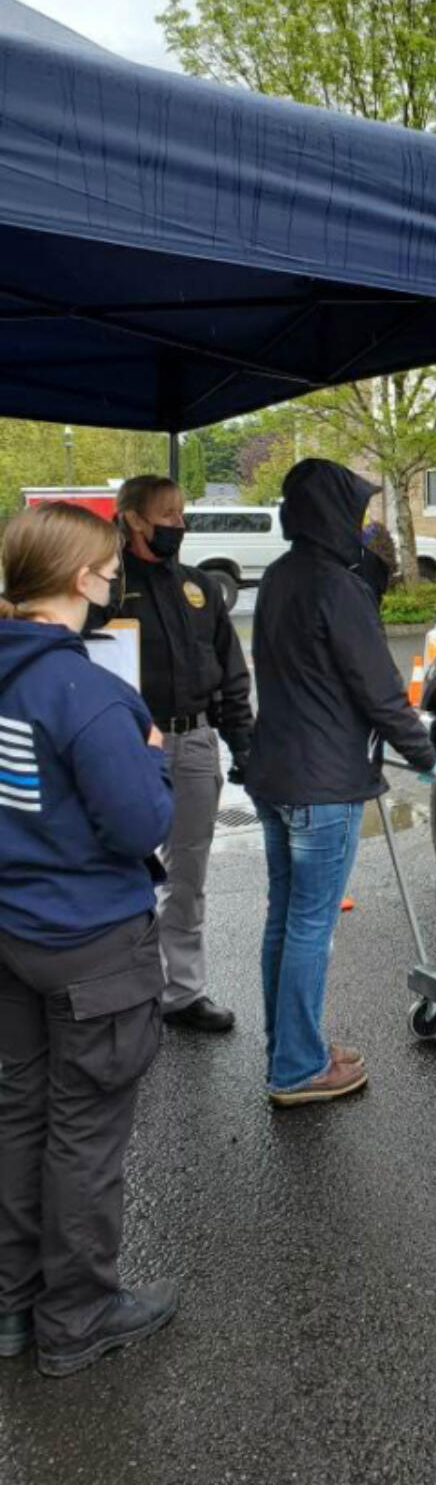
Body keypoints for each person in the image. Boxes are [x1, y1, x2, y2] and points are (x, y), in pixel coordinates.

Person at [0, 505, 178, 1378]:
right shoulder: (88, 692)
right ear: (79, 580)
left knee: (20, 1115)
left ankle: (11, 1306)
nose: (115, 582)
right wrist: (151, 754)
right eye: (109, 569)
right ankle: (75, 1315)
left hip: (13, 930)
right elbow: (141, 821)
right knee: (83, 1132)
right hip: (90, 944)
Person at [245, 459, 436, 1107]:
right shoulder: (336, 585)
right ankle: (297, 1067)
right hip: (321, 783)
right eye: (355, 512)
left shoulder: (278, 576)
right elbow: (381, 690)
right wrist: (426, 755)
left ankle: (289, 1046)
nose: (362, 525)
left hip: (274, 771)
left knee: (286, 916)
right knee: (310, 923)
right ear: (333, 512)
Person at [115, 476, 253, 1033]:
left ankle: (183, 992)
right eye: (166, 514)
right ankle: (124, 995)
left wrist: (242, 743)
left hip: (196, 742)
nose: (180, 523)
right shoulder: (106, 588)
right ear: (132, 520)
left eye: (181, 512)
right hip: (126, 747)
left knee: (187, 874)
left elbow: (231, 674)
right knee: (122, 872)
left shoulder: (199, 587)